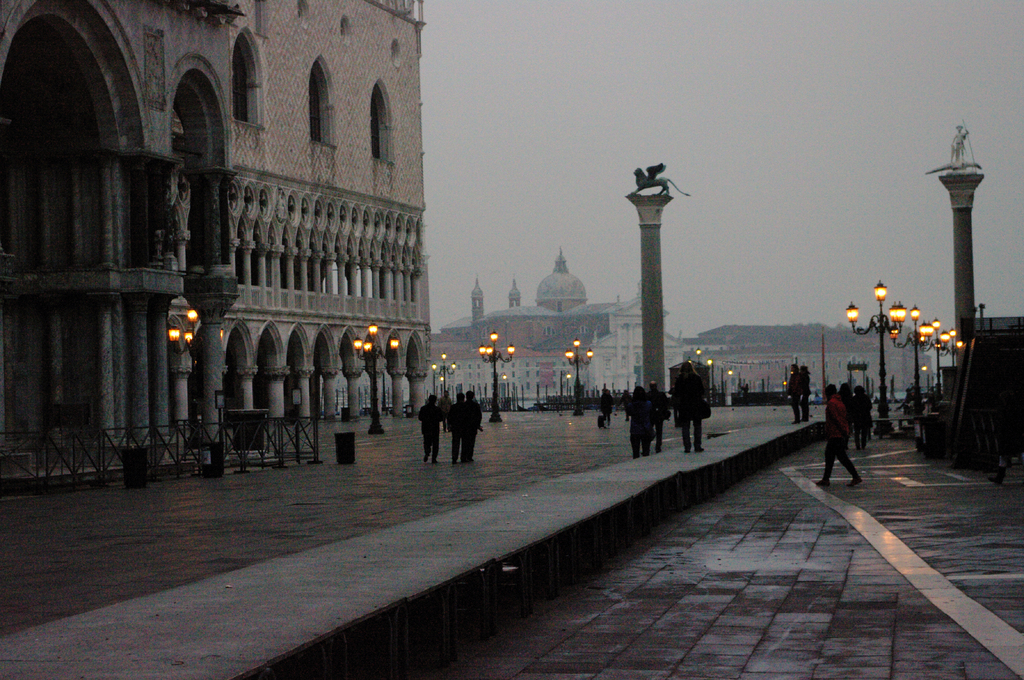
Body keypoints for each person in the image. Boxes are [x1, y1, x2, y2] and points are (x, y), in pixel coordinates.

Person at [816, 384, 862, 487]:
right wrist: (845, 430)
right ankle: (826, 478)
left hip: (835, 434)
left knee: (840, 457)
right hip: (838, 433)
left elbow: (835, 418)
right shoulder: (840, 402)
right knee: (832, 456)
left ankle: (855, 476)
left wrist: (840, 430)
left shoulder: (831, 403)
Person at [989, 389, 1023, 485]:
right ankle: (1000, 476)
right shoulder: (1016, 408)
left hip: (1008, 433)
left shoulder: (1006, 409)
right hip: (1014, 432)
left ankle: (1000, 476)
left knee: (1005, 455)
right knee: (1018, 453)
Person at [674, 361, 705, 452]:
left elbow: (677, 393)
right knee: (697, 426)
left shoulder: (680, 379)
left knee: (685, 427)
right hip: (696, 404)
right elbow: (702, 391)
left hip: (684, 405)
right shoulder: (696, 378)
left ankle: (687, 447)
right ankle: (697, 445)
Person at [625, 385, 653, 459]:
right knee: (646, 451)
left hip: (635, 429)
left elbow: (629, 413)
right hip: (646, 429)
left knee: (635, 452)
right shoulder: (648, 404)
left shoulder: (631, 405)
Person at [460, 390, 484, 462]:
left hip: (465, 426)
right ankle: (469, 456)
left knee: (464, 442)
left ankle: (463, 456)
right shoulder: (476, 405)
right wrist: (478, 425)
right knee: (471, 442)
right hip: (473, 426)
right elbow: (479, 416)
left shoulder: (463, 405)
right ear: (473, 397)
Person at [417, 395, 443, 463]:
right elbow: (441, 418)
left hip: (426, 428)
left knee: (426, 442)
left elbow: (420, 418)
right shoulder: (437, 409)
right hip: (435, 429)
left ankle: (427, 452)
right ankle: (434, 458)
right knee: (435, 444)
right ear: (435, 401)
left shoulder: (423, 408)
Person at [648, 381, 670, 453]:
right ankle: (658, 446)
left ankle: (647, 446)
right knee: (659, 432)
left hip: (651, 416)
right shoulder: (661, 394)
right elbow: (666, 404)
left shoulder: (648, 395)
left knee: (648, 431)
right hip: (659, 416)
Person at [850, 385, 872, 450]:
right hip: (865, 417)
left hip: (857, 417)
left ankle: (857, 445)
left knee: (857, 432)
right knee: (864, 432)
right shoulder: (866, 398)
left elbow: (851, 408)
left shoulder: (854, 399)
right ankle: (863, 444)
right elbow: (870, 406)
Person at [448, 392, 467, 464]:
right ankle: (463, 457)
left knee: (455, 443)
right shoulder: (466, 407)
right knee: (464, 443)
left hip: (455, 427)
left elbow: (449, 417)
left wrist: (449, 425)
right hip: (464, 427)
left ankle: (454, 457)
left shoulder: (453, 407)